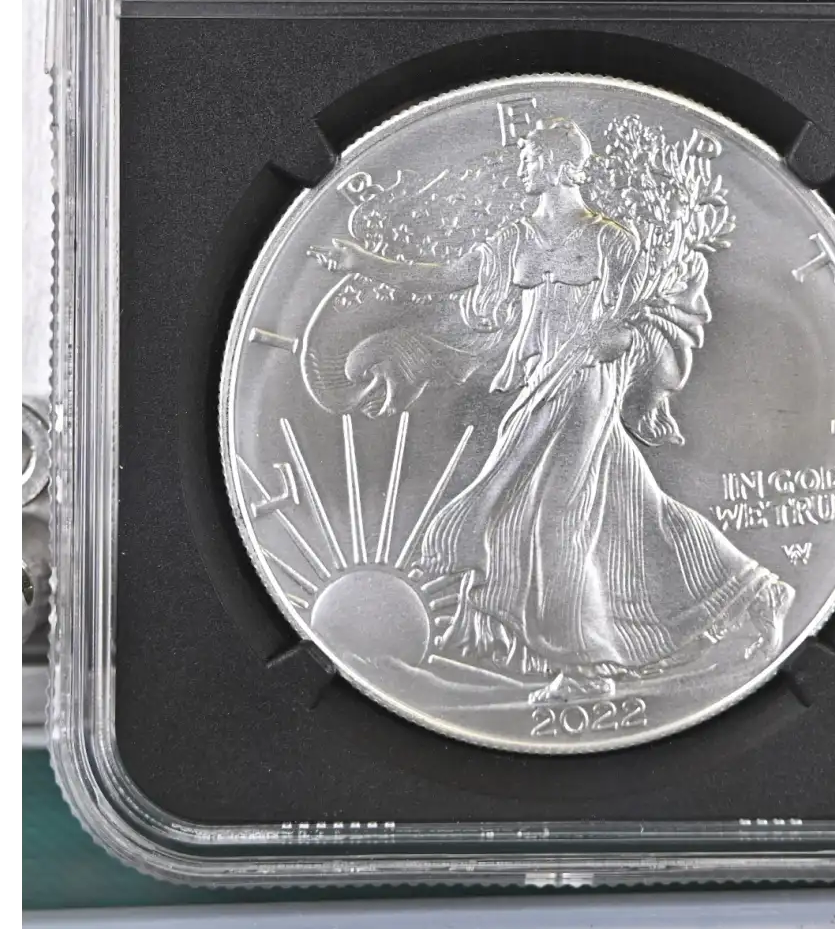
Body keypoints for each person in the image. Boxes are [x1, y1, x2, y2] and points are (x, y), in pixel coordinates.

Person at [326, 117, 794, 702]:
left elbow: (634, 322)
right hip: (539, 386)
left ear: (559, 165)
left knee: (554, 518)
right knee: (637, 509)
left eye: (529, 156)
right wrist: (363, 261)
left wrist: (609, 340)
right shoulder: (514, 239)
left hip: (586, 387)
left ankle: (587, 667)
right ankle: (757, 592)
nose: (521, 165)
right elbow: (445, 278)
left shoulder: (611, 241)